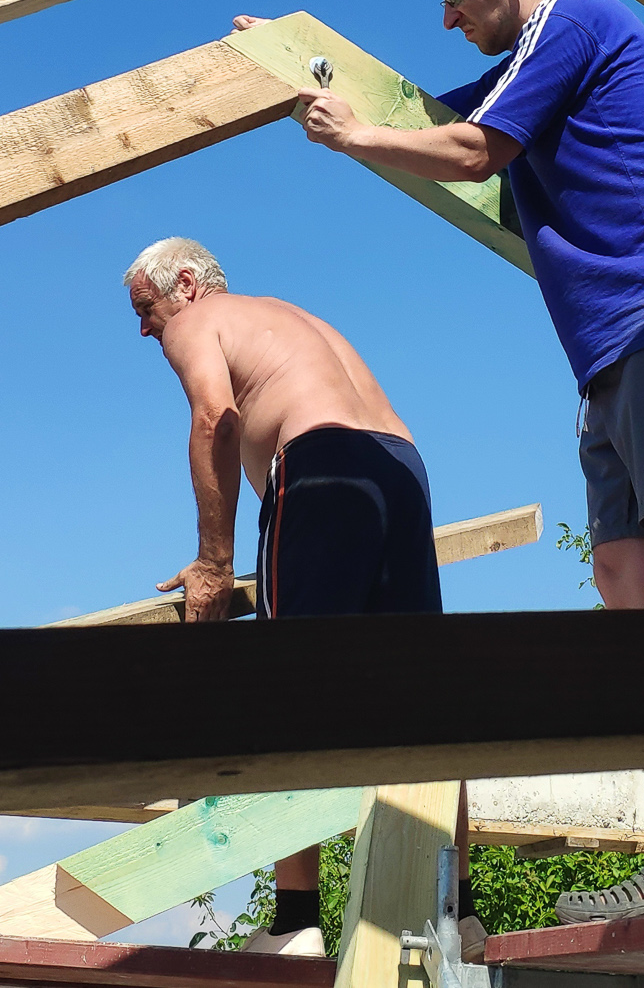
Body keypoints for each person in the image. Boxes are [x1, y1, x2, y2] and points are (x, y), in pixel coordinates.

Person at [236, 0, 644, 918]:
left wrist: (355, 134)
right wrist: (297, 68)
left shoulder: (575, 21)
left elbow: (469, 149)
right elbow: (416, 109)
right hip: (606, 352)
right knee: (627, 581)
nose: (448, 20)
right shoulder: (520, 68)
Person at [123, 236, 480, 957]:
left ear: (185, 283)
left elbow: (216, 418)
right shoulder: (290, 318)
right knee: (423, 698)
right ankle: (457, 912)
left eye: (145, 307)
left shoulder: (200, 320)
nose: (144, 329)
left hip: (320, 466)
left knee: (290, 687)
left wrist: (214, 563)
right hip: (402, 468)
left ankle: (294, 920)